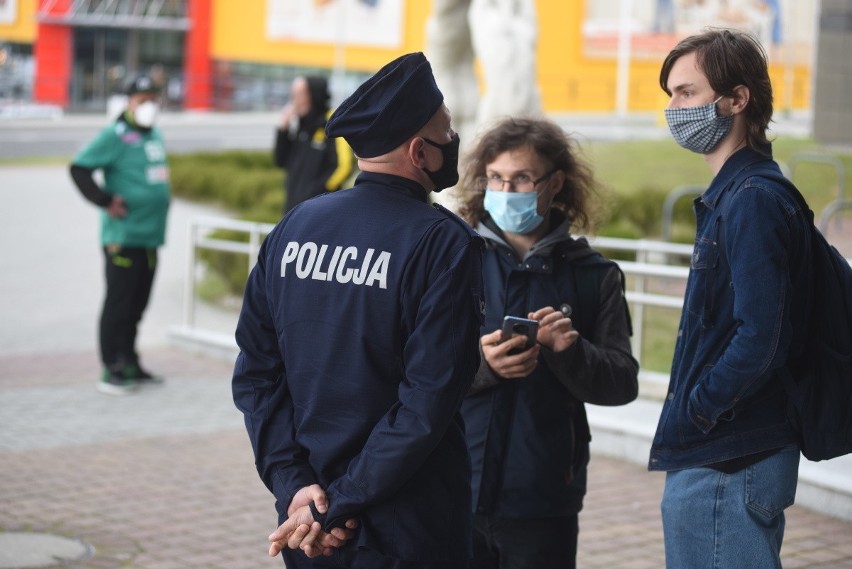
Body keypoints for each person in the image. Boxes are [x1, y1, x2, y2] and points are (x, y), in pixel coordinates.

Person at [232, 52, 485, 568]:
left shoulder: (295, 226)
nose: (453, 142)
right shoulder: (443, 243)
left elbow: (257, 375)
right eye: (447, 131)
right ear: (420, 151)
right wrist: (339, 504)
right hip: (410, 526)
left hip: (306, 522)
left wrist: (296, 488)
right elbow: (426, 402)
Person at [648, 29, 811, 568]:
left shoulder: (753, 201)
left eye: (687, 93)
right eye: (670, 94)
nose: (674, 108)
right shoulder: (737, 195)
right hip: (725, 452)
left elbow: (762, 336)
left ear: (737, 100)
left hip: (728, 457)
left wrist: (699, 410)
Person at [456, 116, 639, 569]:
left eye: (521, 178)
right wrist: (481, 366)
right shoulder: (454, 260)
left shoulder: (594, 275)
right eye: (496, 178)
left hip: (542, 498)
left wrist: (570, 352)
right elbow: (407, 366)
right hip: (453, 487)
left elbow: (622, 383)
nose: (506, 189)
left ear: (555, 183)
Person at [69, 74, 170, 395]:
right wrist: (104, 200)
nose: (149, 106)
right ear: (128, 103)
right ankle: (111, 368)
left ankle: (129, 360)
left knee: (138, 305)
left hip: (151, 237)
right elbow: (79, 168)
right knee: (119, 305)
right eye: (142, 100)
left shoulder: (153, 134)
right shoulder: (115, 134)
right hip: (123, 237)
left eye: (154, 99)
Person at [274, 75, 354, 213]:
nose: (294, 101)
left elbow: (344, 167)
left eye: (299, 94)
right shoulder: (302, 125)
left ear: (313, 95)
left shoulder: (332, 123)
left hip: (318, 211)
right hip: (293, 210)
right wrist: (283, 131)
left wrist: (318, 194)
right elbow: (281, 162)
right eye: (293, 94)